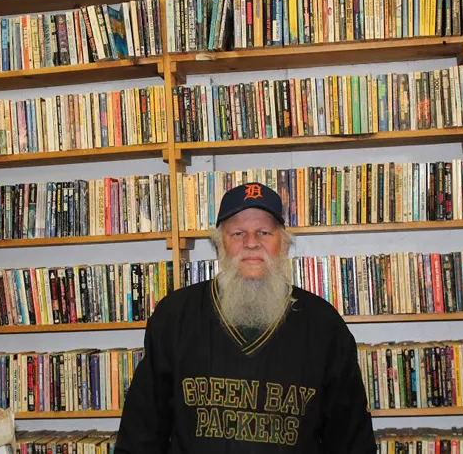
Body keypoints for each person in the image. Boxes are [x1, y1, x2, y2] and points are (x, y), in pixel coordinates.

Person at [115, 182, 376, 453]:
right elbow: (140, 434)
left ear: (283, 244)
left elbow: (351, 440)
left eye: (264, 232)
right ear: (219, 244)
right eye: (238, 233)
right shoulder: (174, 317)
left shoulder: (324, 325)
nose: (251, 243)